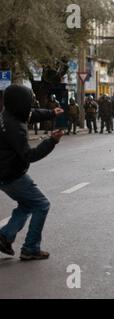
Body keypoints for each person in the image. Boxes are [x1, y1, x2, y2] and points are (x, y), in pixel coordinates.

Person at [0, 84, 65, 260]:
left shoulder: (8, 114)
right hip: (12, 176)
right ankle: (30, 248)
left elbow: (31, 115)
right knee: (41, 205)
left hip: (5, 174)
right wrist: (51, 141)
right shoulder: (15, 128)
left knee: (27, 205)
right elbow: (29, 155)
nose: (31, 106)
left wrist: (51, 113)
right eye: (28, 102)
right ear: (20, 103)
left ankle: (5, 236)